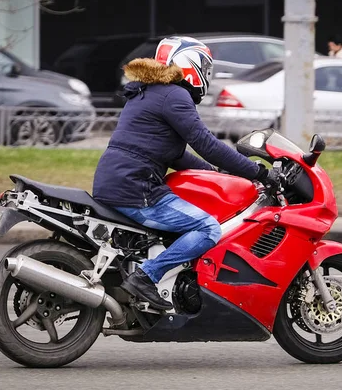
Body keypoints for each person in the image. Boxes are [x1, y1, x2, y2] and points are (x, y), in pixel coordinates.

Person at [92, 36, 277, 310]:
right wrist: (258, 172)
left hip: (116, 180)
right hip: (136, 187)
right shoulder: (174, 95)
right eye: (206, 67)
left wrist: (218, 172)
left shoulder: (148, 91)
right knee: (207, 227)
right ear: (190, 64)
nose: (207, 75)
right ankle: (146, 276)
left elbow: (176, 155)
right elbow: (206, 144)